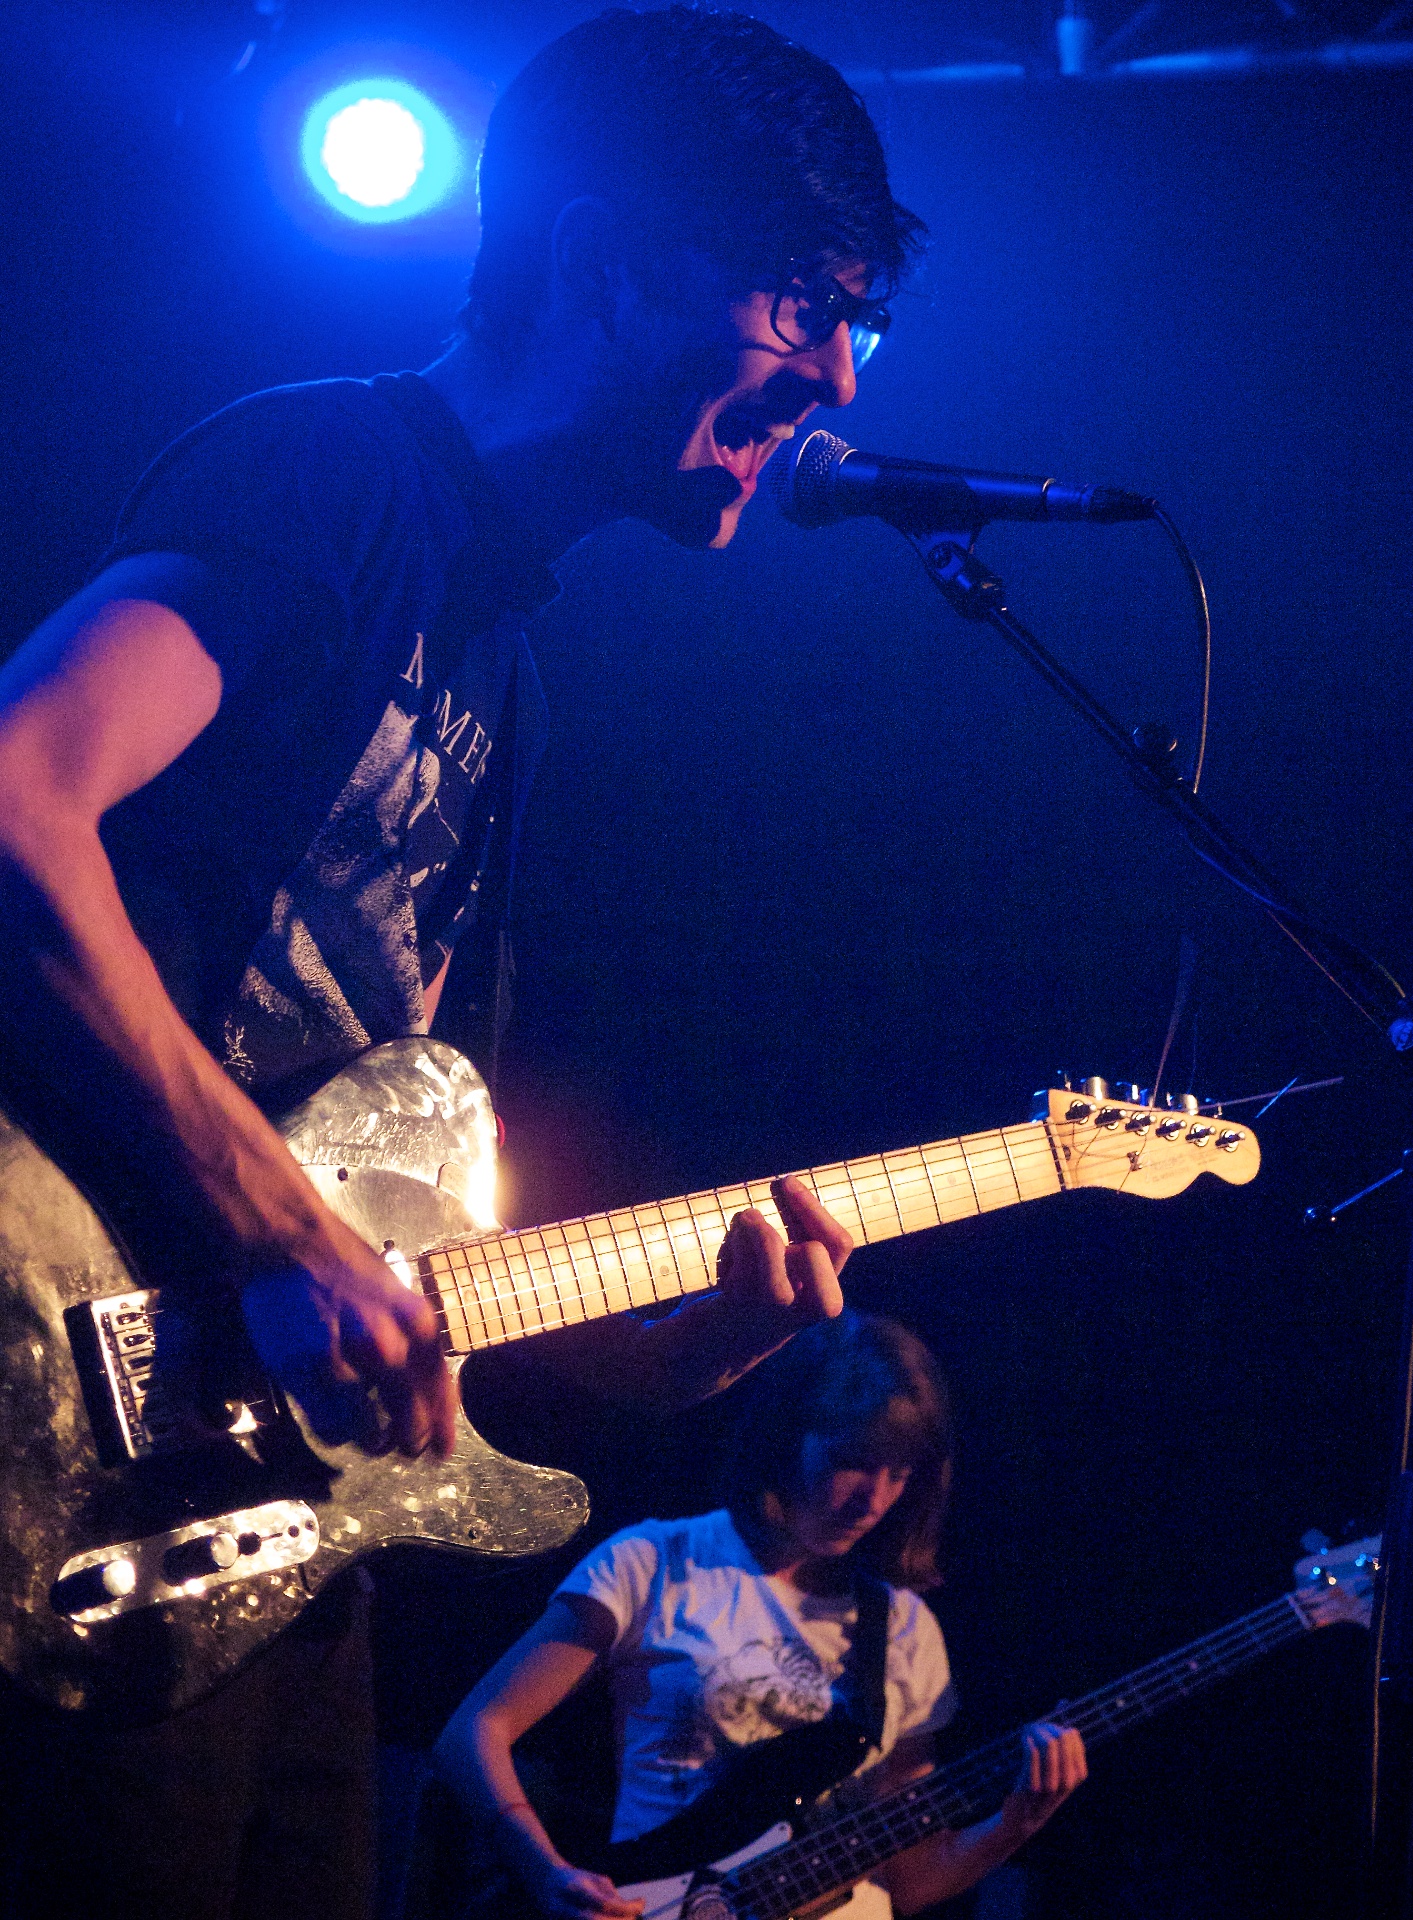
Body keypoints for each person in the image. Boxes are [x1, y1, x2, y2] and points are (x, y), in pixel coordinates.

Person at [0, 10, 929, 1917]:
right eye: (794, 302)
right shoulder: (339, 473)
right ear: (599, 267)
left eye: (860, 320)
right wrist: (277, 1225)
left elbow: (401, 1220)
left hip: (262, 1544)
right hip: (62, 1433)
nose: (834, 373)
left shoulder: (501, 652)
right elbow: (19, 801)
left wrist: (697, 1348)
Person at [434, 1314, 1087, 1919]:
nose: (874, 1499)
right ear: (786, 1438)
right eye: (852, 1461)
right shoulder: (657, 1562)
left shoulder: (905, 1629)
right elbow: (474, 1730)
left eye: (899, 1473)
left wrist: (1014, 1824)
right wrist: (544, 1870)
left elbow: (907, 1879)